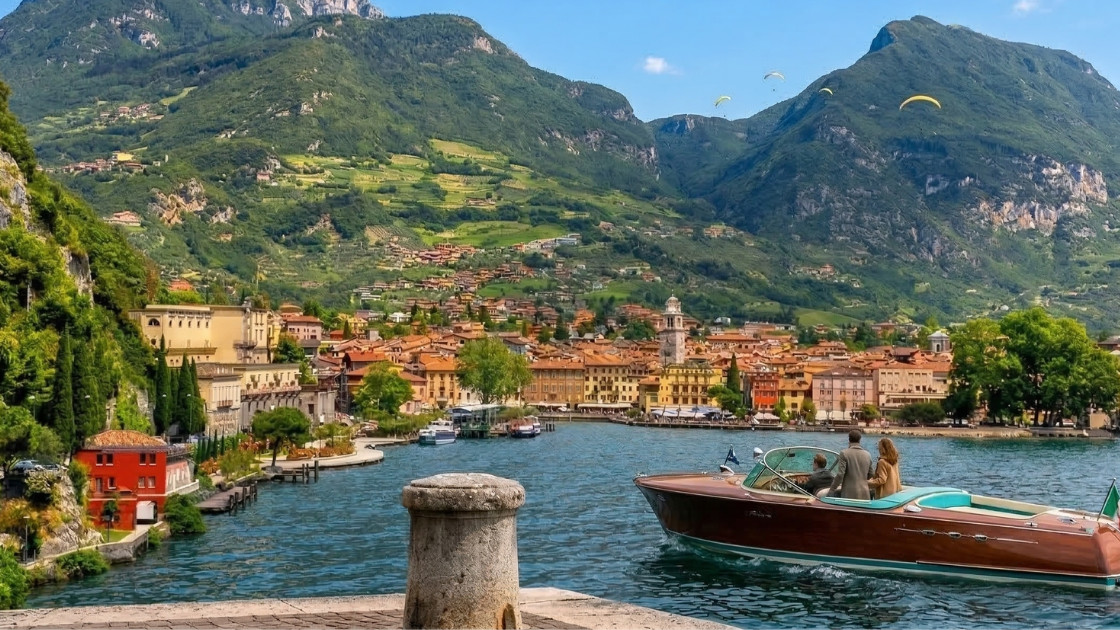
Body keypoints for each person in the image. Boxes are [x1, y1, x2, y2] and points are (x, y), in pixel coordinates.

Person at [827, 430, 872, 499]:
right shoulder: (868, 455)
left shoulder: (844, 453)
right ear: (860, 440)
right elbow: (871, 474)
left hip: (849, 495)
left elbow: (840, 474)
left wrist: (832, 489)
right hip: (865, 494)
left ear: (849, 439)